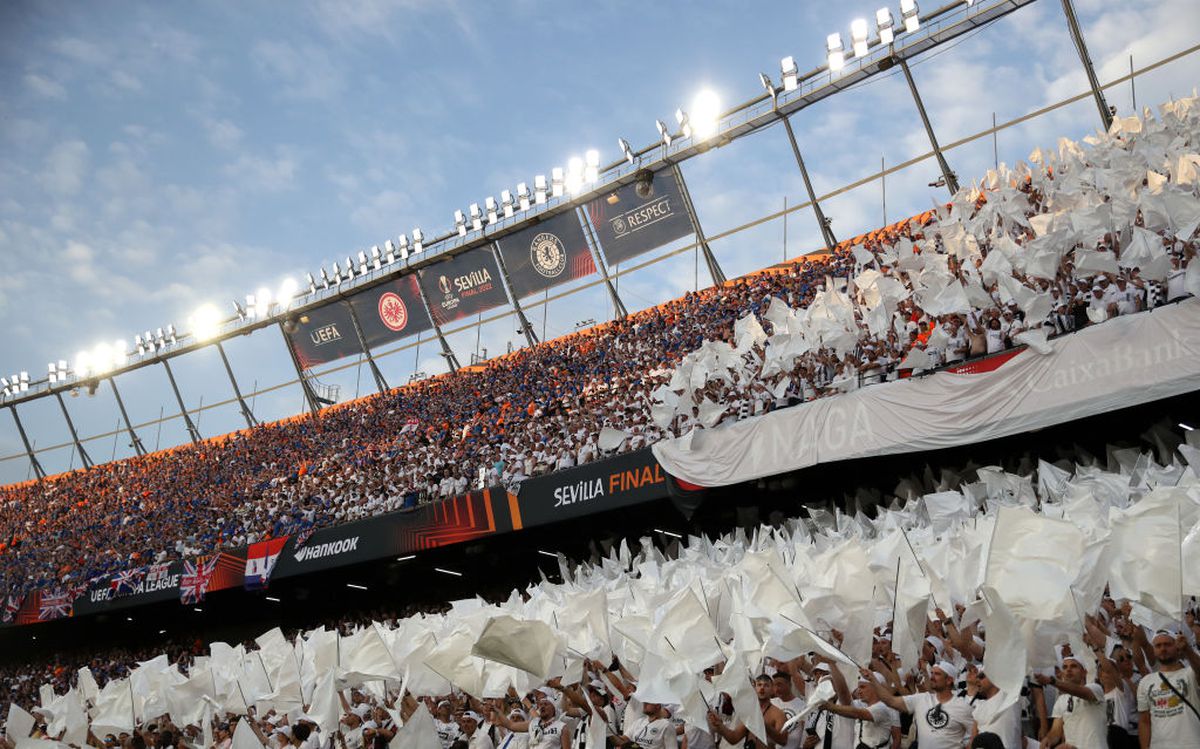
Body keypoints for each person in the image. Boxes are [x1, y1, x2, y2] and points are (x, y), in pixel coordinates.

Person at [874, 661, 975, 749]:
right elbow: (891, 701)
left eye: (937, 674)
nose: (932, 677)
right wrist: (872, 679)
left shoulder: (963, 706)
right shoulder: (921, 699)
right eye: (932, 673)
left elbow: (973, 738)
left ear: (949, 680)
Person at [1136, 630, 1200, 748]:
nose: (1163, 649)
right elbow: (1144, 721)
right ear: (1154, 650)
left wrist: (1187, 650)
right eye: (1158, 645)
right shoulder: (1145, 681)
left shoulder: (1190, 673)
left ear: (1176, 647)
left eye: (1168, 644)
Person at [1038, 655, 1105, 749]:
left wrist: (1052, 681)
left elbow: (1082, 692)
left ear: (1084, 673)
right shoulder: (1061, 700)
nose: (1068, 670)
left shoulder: (1095, 688)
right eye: (1065, 667)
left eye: (1073, 666)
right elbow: (1056, 731)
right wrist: (1048, 739)